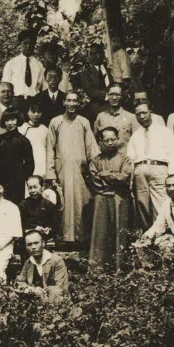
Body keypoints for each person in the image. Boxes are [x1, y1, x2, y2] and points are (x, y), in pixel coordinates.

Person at [46, 92, 99, 243]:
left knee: (81, 201)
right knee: (63, 203)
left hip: (80, 171)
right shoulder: (55, 122)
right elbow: (50, 148)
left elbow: (91, 148)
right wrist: (51, 174)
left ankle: (81, 238)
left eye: (74, 101)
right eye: (68, 100)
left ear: (78, 103)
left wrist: (94, 170)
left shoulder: (84, 122)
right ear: (64, 103)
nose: (71, 104)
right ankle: (64, 238)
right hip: (61, 170)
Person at [87, 127, 134, 271]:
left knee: (120, 230)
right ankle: (98, 267)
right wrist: (113, 176)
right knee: (100, 231)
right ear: (101, 142)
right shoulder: (95, 161)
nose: (110, 143)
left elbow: (124, 177)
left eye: (113, 139)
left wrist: (105, 174)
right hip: (101, 198)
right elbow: (94, 180)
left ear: (118, 140)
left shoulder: (125, 159)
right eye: (106, 140)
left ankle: (120, 267)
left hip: (119, 198)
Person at [127, 101, 174, 230]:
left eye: (144, 113)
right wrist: (131, 180)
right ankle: (148, 236)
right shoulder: (135, 135)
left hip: (159, 169)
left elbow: (173, 154)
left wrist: (173, 175)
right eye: (138, 114)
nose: (142, 117)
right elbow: (131, 158)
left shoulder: (164, 131)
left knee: (161, 204)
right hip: (140, 171)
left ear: (151, 112)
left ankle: (163, 237)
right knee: (142, 205)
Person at [0, 110, 36, 205]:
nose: (10, 123)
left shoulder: (23, 141)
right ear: (4, 122)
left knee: (16, 205)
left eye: (13, 119)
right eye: (7, 120)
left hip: (17, 181)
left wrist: (23, 177)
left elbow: (30, 163)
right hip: (1, 180)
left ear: (17, 120)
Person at [17, 230, 69, 302]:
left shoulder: (56, 260)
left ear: (43, 243)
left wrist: (40, 292)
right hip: (35, 301)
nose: (33, 247)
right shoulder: (28, 263)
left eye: (36, 243)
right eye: (29, 244)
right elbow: (20, 282)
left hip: (55, 302)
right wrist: (32, 289)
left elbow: (60, 287)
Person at [1, 29, 46, 98]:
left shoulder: (39, 65)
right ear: (20, 44)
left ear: (34, 44)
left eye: (31, 43)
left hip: (34, 101)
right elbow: (5, 86)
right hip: (16, 100)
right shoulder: (11, 64)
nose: (28, 46)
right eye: (25, 43)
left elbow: (42, 87)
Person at [73, 43, 113, 119]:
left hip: (114, 105)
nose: (93, 56)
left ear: (103, 55)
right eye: (91, 54)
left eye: (97, 53)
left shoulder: (109, 69)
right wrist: (109, 95)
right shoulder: (85, 73)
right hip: (97, 109)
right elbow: (90, 91)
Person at [19, 175, 57, 244]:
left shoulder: (48, 204)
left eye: (35, 187)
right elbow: (22, 223)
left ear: (42, 187)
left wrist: (48, 228)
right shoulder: (23, 204)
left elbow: (54, 222)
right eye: (30, 188)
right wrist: (34, 228)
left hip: (44, 236)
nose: (33, 190)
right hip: (28, 235)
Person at [19, 101, 50, 179]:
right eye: (33, 111)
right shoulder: (22, 129)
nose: (36, 114)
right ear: (27, 112)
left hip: (43, 162)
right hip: (29, 162)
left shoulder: (45, 129)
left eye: (39, 112)